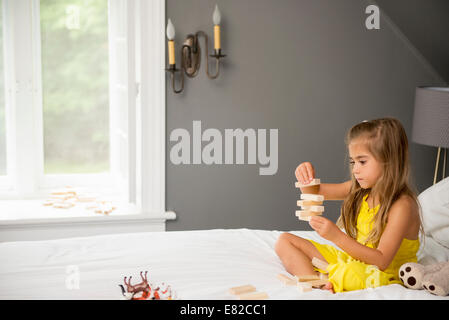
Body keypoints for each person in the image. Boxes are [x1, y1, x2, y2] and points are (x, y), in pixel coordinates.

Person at [275, 118, 424, 293]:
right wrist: (304, 174)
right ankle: (317, 283)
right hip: (354, 259)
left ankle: (329, 278)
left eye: (362, 162)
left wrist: (337, 236)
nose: (355, 170)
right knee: (284, 241)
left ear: (389, 161)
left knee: (349, 271)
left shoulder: (403, 205)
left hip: (381, 272)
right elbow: (313, 192)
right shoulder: (360, 189)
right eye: (353, 162)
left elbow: (382, 261)